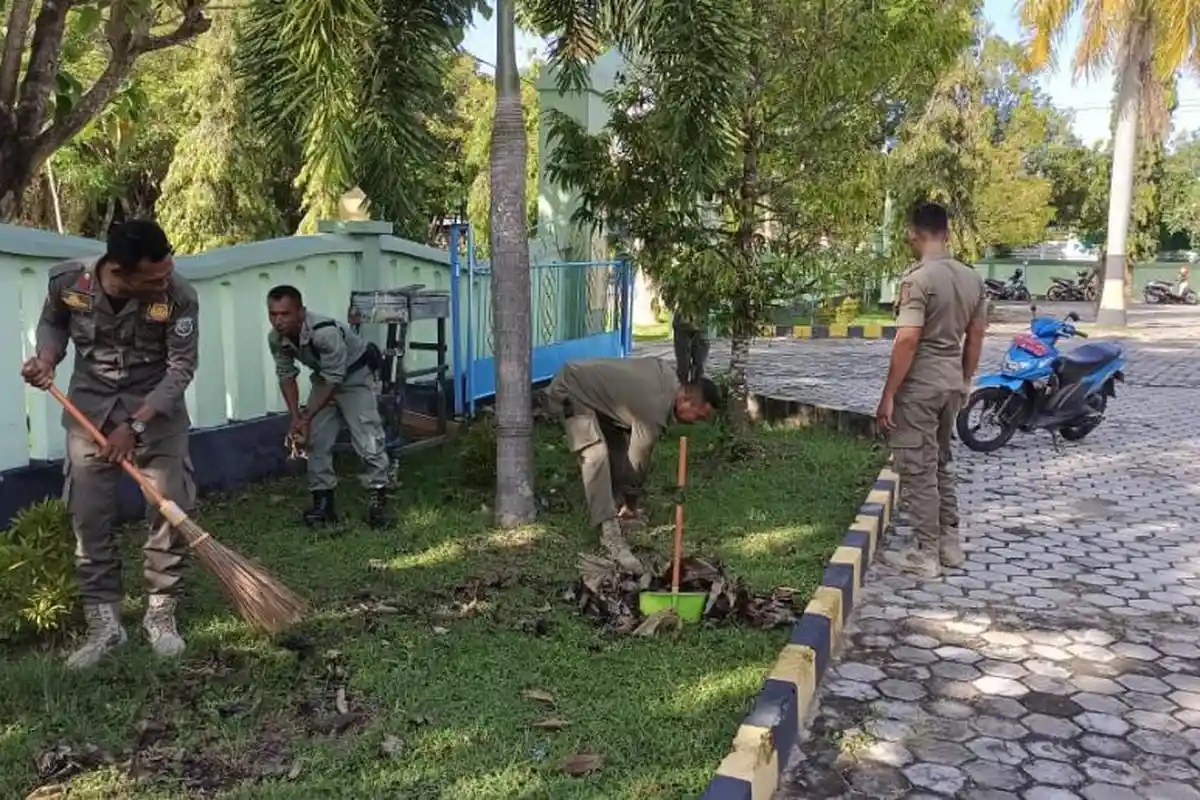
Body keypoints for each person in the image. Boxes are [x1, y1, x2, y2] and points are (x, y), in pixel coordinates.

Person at [20, 220, 199, 669]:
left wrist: (135, 427)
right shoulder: (69, 282)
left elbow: (180, 369)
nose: (166, 278)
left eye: (167, 269)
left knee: (169, 508)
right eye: (154, 276)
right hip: (90, 412)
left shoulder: (178, 295)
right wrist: (45, 358)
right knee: (89, 516)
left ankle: (161, 613)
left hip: (156, 414)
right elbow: (52, 323)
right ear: (119, 272)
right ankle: (105, 625)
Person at [876, 202, 986, 578]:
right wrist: (967, 379)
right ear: (947, 234)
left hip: (920, 386)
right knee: (940, 461)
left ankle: (925, 554)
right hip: (952, 382)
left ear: (913, 234)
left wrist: (889, 393)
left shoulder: (917, 280)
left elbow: (907, 340)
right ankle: (949, 544)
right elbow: (976, 336)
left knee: (917, 466)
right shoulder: (972, 278)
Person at [544, 357, 720, 571]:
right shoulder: (654, 410)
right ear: (686, 400)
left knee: (617, 445)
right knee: (596, 453)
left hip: (600, 398)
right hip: (571, 390)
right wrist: (632, 505)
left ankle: (615, 502)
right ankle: (608, 529)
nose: (695, 423)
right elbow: (638, 461)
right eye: (698, 416)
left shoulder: (666, 375)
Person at [266, 285, 391, 528]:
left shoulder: (325, 333)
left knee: (368, 438)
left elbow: (336, 377)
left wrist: (307, 415)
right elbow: (286, 375)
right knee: (315, 439)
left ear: (301, 312)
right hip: (325, 379)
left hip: (355, 377)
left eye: (285, 314)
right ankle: (323, 503)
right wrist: (296, 418)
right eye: (273, 314)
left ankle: (378, 499)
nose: (278, 321)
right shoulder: (276, 338)